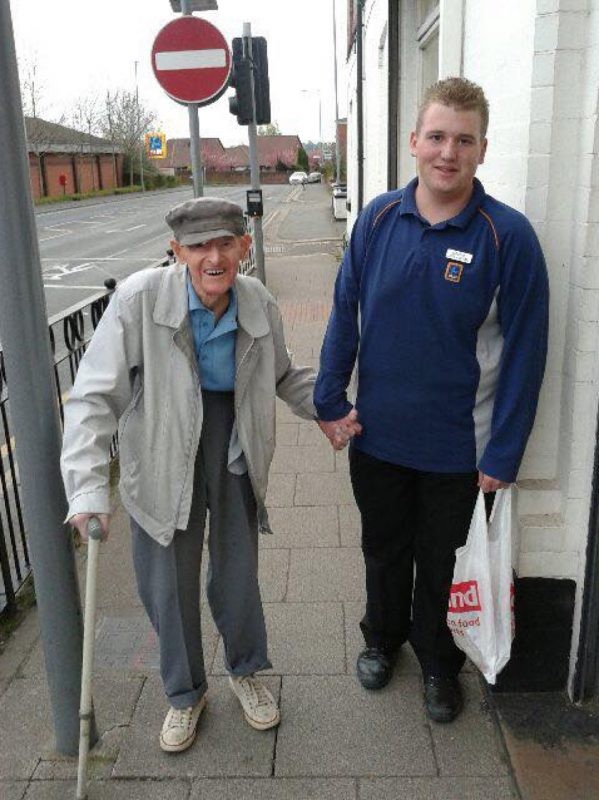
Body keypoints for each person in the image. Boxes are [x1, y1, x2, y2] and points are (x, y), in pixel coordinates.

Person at [315, 77, 549, 722]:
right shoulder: (379, 218)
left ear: (481, 150)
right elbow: (344, 313)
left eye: (464, 140)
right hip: (378, 436)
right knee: (383, 549)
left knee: (442, 564)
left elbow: (529, 352)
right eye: (438, 136)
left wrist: (504, 451)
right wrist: (330, 402)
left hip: (460, 448)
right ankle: (380, 640)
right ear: (414, 141)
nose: (449, 151)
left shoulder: (508, 237)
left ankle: (439, 664)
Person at [61, 197, 317, 752]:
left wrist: (336, 411)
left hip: (232, 444)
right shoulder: (137, 300)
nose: (213, 257)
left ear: (244, 248)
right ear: (176, 252)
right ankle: (185, 693)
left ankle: (245, 670)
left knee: (237, 571)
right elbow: (93, 398)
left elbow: (285, 375)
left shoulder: (258, 301)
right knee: (165, 584)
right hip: (159, 445)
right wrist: (85, 488)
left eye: (225, 243)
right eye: (198, 246)